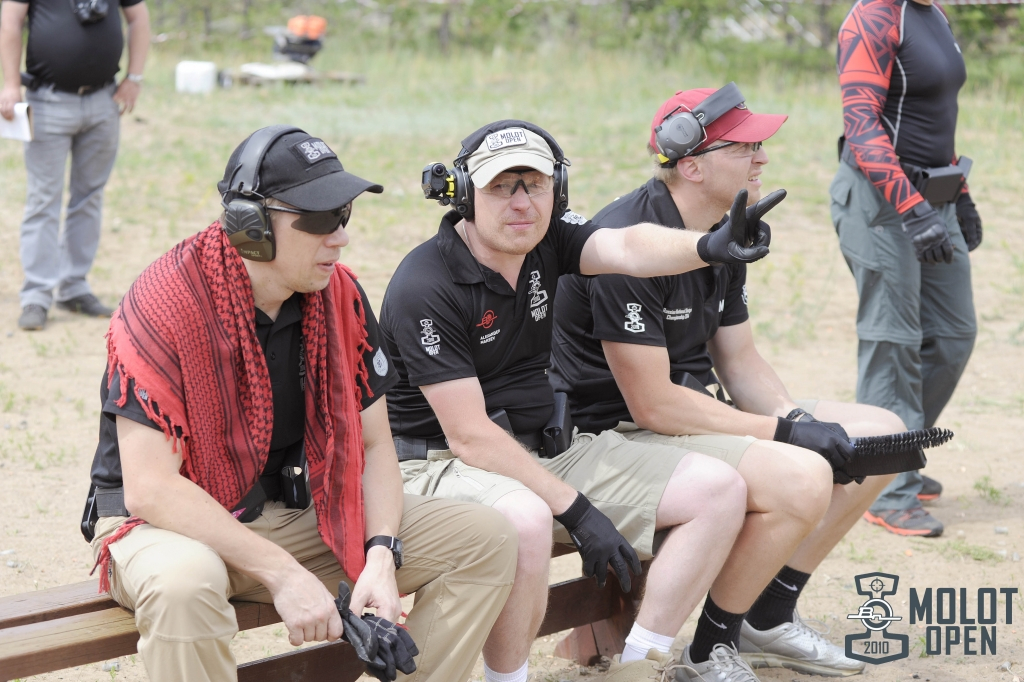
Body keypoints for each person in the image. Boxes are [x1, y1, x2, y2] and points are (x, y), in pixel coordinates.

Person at [83, 126, 517, 682]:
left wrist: (382, 554)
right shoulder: (166, 304)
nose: (340, 237)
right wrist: (284, 574)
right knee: (185, 586)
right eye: (319, 219)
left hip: (288, 512)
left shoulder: (338, 297)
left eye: (343, 215)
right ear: (251, 226)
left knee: (485, 538)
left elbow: (374, 444)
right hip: (164, 527)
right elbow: (151, 489)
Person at [379, 119, 780, 682]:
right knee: (526, 521)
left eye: (536, 185)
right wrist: (578, 510)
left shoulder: (548, 238)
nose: (522, 203)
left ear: (558, 189)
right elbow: (469, 436)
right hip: (439, 462)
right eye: (501, 187)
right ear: (466, 194)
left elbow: (626, 246)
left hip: (541, 450)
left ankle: (638, 669)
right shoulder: (426, 283)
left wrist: (706, 247)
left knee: (716, 489)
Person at [550, 86, 909, 680]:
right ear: (691, 165)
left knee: (880, 435)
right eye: (745, 147)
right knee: (802, 475)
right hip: (619, 433)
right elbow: (653, 405)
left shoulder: (723, 231)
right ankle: (707, 649)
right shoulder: (628, 240)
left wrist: (797, 419)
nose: (762, 158)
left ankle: (769, 616)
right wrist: (786, 435)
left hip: (687, 416)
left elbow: (739, 361)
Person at [830, 0, 979, 536]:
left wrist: (961, 195)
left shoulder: (932, 12)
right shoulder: (874, 17)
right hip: (881, 204)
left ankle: (898, 451)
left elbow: (934, 116)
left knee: (954, 336)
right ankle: (885, 485)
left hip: (935, 197)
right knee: (893, 343)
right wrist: (912, 210)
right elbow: (861, 124)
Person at [0, 0, 149, 331]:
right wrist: (10, 84)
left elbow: (138, 18)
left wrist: (134, 77)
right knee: (43, 199)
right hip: (47, 101)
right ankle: (37, 295)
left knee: (90, 197)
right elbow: (10, 22)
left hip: (104, 100)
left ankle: (74, 287)